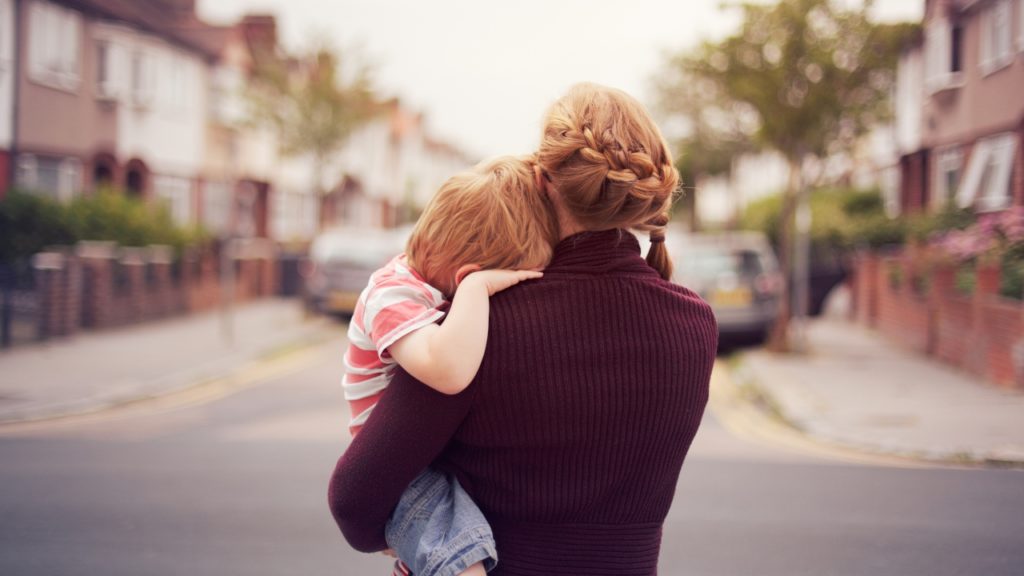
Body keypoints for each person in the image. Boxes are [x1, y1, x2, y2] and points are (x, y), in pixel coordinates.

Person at [329, 83, 718, 575]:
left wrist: (397, 535)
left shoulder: (485, 324)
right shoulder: (695, 325)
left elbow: (355, 498)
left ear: (540, 179)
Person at [342, 155, 559, 576]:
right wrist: (479, 291)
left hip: (429, 462)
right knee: (463, 560)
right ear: (468, 275)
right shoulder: (390, 294)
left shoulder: (425, 286)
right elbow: (448, 372)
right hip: (402, 477)